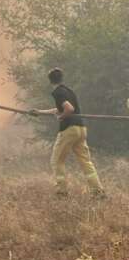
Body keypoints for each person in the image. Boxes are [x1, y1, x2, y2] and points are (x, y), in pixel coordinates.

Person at [31, 68, 104, 197]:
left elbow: (68, 108)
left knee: (56, 160)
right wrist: (40, 112)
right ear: (61, 78)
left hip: (69, 129)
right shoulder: (69, 91)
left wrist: (62, 117)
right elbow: (60, 108)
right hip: (80, 129)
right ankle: (98, 191)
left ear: (50, 80)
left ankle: (61, 192)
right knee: (85, 161)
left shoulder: (57, 92)